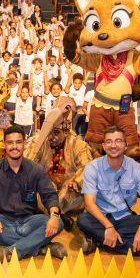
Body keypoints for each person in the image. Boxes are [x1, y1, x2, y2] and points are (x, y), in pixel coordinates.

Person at [0, 125, 66, 267]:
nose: (14, 146)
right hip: (4, 222)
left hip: (30, 222)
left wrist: (54, 216)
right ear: (4, 145)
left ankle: (11, 250)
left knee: (59, 223)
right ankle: (40, 247)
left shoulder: (35, 169)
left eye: (18, 142)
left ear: (24, 144)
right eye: (10, 142)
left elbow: (49, 195)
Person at [77, 126, 140, 259]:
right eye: (109, 142)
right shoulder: (92, 167)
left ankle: (100, 241)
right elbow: (89, 204)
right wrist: (108, 226)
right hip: (100, 218)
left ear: (125, 145)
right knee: (82, 220)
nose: (113, 145)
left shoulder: (137, 169)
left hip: (125, 218)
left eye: (118, 141)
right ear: (104, 146)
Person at [25, 97, 93, 231]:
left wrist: (76, 181)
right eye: (49, 132)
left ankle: (50, 215)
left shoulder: (78, 144)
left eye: (56, 133)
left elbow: (88, 168)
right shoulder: (38, 142)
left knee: (72, 193)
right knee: (34, 191)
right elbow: (26, 165)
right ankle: (59, 216)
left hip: (69, 191)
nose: (51, 137)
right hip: (45, 188)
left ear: (66, 131)